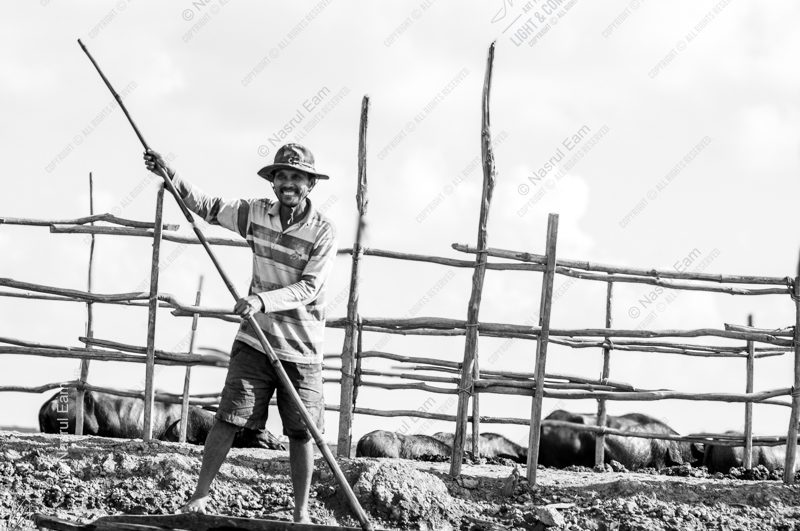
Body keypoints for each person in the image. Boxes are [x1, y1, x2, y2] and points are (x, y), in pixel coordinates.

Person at [144, 143, 337, 524]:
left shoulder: (324, 232)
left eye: (296, 177)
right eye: (282, 175)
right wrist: (170, 173)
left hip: (302, 348)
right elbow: (208, 206)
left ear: (310, 185)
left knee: (301, 433)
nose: (288, 183)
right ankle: (199, 496)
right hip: (255, 341)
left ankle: (301, 514)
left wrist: (261, 301)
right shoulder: (256, 214)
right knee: (229, 418)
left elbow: (309, 288)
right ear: (273, 182)